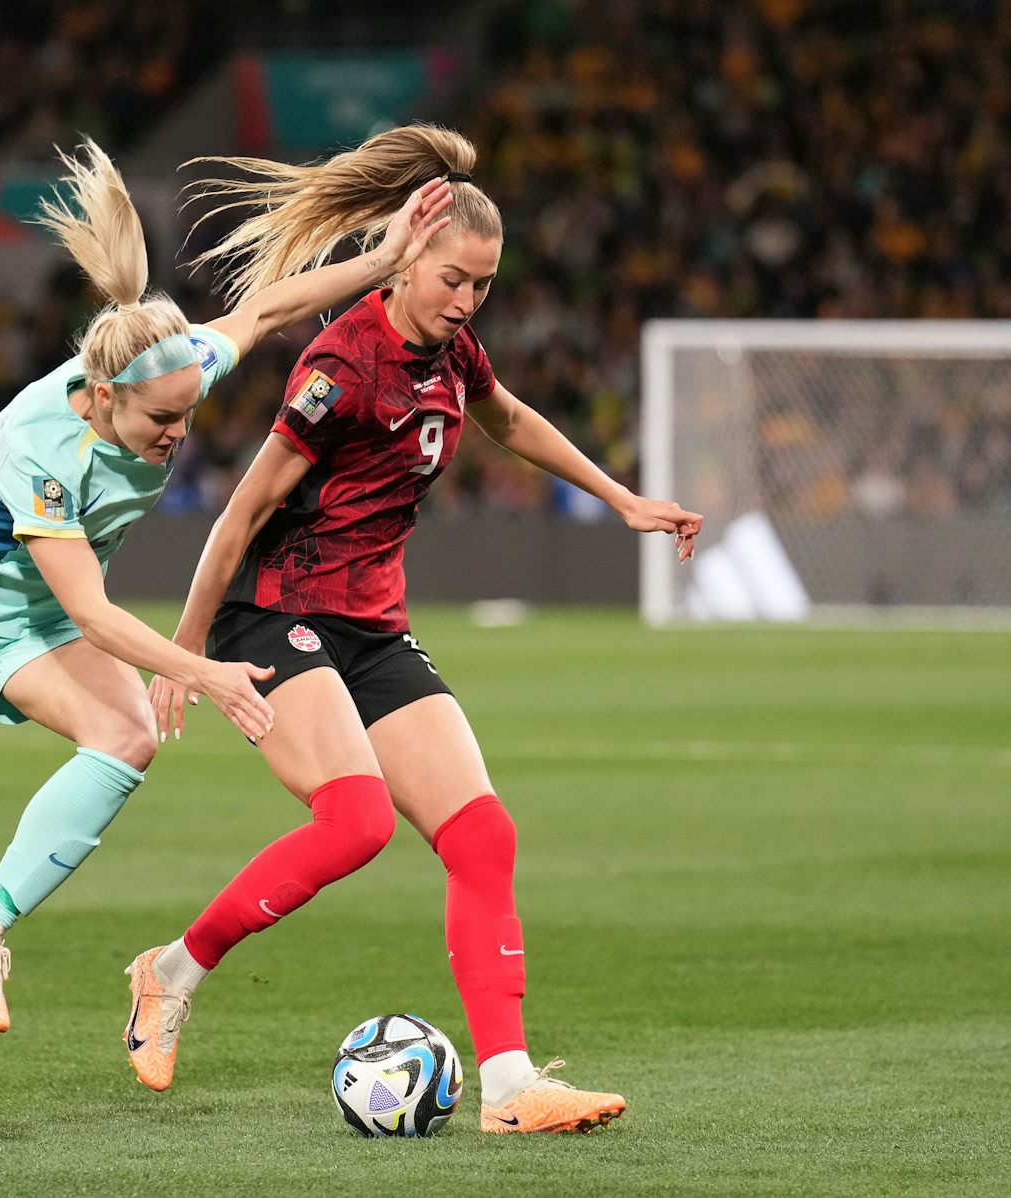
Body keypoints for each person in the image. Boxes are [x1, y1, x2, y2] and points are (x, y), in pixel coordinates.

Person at [0, 140, 456, 1035]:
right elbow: (90, 612)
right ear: (103, 397)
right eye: (162, 419)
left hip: (32, 617)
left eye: (188, 412)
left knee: (126, 736)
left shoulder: (170, 366)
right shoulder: (42, 448)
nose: (179, 433)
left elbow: (264, 310)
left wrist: (383, 259)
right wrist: (201, 668)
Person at [120, 126, 703, 1134]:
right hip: (276, 614)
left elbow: (509, 418)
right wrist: (185, 653)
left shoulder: (452, 350)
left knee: (482, 833)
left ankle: (510, 1088)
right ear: (404, 261)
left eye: (483, 284)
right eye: (453, 279)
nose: (467, 300)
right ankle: (171, 971)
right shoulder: (342, 362)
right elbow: (241, 513)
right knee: (357, 823)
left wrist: (623, 499)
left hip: (370, 627)